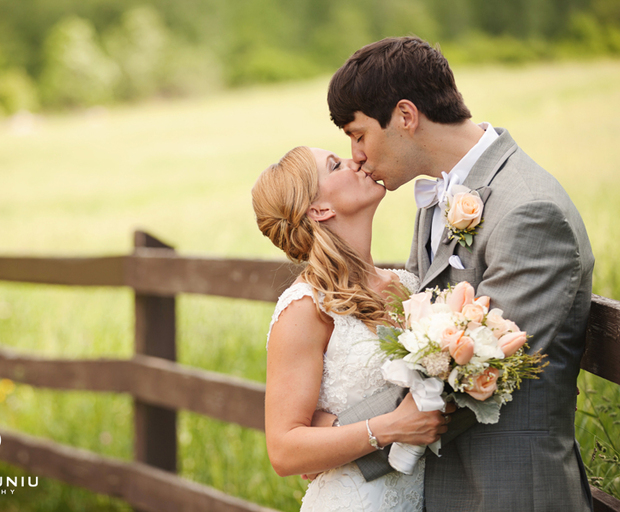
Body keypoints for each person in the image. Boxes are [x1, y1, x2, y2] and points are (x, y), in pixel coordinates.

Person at [324, 36, 595, 511]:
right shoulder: (441, 198)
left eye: (358, 134)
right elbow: (419, 339)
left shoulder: (529, 211)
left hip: (509, 491)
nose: (356, 155)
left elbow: (472, 372)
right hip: (448, 484)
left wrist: (337, 436)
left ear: (406, 116)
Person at [252, 146, 456, 511]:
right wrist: (390, 427)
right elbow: (283, 451)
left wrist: (333, 428)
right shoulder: (305, 308)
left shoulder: (408, 285)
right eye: (335, 165)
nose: (356, 160)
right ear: (319, 209)